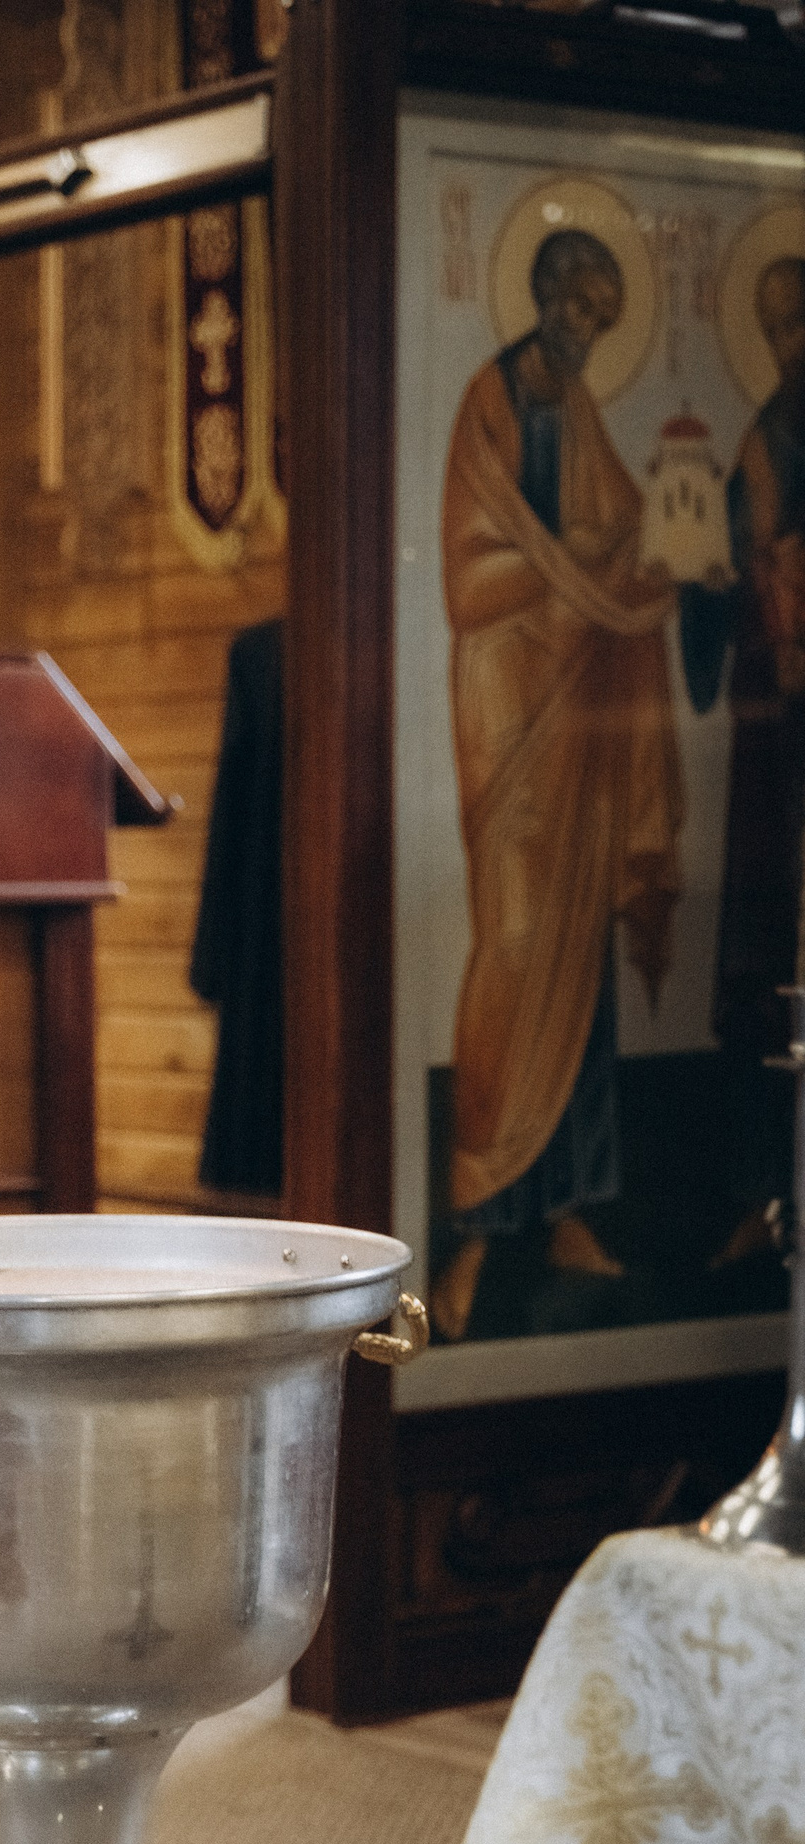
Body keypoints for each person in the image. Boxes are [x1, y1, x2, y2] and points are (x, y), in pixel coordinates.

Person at [433, 227, 684, 1345]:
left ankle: (571, 1211)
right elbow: (468, 581)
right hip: (509, 712)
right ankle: (482, 1221)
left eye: (602, 315)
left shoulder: (579, 411)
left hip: (577, 713)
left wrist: (650, 543)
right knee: (516, 946)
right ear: (541, 296)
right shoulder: (488, 408)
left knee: (578, 954)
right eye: (578, 305)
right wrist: (565, 562)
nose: (586, 329)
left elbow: (621, 528)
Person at [680, 256, 805, 1267]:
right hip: (777, 735)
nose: (790, 346)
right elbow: (715, 579)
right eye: (777, 330)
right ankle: (761, 1199)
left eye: (798, 323)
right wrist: (707, 578)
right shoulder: (762, 444)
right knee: (763, 958)